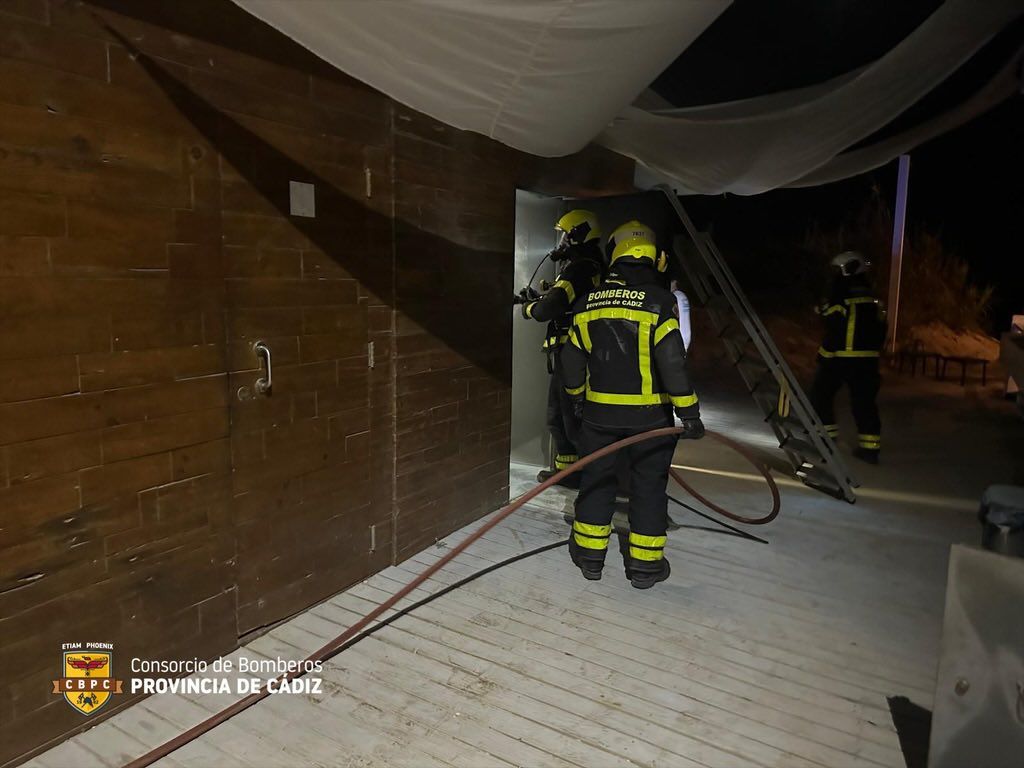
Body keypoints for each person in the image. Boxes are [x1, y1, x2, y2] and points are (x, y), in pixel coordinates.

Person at [560, 220, 704, 589]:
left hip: (598, 417)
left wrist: (576, 399)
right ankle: (644, 567)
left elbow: (571, 361)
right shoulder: (660, 302)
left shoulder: (588, 302)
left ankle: (590, 558)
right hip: (650, 420)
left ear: (615, 254)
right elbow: (672, 362)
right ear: (655, 258)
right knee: (648, 487)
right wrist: (688, 413)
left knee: (597, 481)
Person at [517, 210, 605, 485]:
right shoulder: (589, 265)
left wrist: (529, 308)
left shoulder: (579, 267)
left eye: (565, 236)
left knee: (569, 418)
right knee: (559, 417)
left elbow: (548, 309)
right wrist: (543, 295)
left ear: (579, 235)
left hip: (573, 352)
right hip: (574, 352)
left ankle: (583, 476)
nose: (561, 242)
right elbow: (565, 298)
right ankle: (567, 472)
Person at [810, 250, 887, 464]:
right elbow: (881, 331)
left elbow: (834, 329)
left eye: (837, 271)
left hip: (840, 359)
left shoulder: (842, 297)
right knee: (864, 404)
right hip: (868, 362)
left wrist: (824, 356)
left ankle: (826, 439)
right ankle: (870, 449)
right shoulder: (874, 301)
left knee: (820, 395)